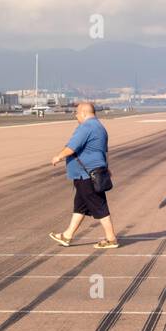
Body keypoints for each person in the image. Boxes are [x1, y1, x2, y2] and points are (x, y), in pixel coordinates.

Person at [49, 101, 119, 249]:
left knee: (99, 206)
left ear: (84, 113)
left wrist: (58, 157)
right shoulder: (100, 127)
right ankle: (67, 236)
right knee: (80, 206)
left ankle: (111, 238)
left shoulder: (86, 127)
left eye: (76, 113)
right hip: (92, 173)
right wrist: (106, 167)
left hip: (86, 174)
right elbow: (103, 152)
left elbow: (72, 147)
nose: (75, 116)